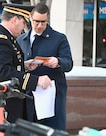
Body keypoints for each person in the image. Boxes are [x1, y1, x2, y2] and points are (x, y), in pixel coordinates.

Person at [0, 3, 52, 136]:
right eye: (24, 22)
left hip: (10, 104)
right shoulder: (0, 40)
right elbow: (5, 73)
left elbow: (7, 65)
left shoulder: (6, 37)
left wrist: (25, 65)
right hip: (3, 105)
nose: (24, 27)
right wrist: (36, 80)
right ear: (15, 20)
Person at [17, 2, 73, 131]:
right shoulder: (21, 40)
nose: (40, 26)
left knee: (52, 131)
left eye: (43, 22)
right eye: (36, 21)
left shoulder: (59, 38)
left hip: (51, 96)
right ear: (30, 18)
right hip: (28, 94)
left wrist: (57, 61)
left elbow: (68, 63)